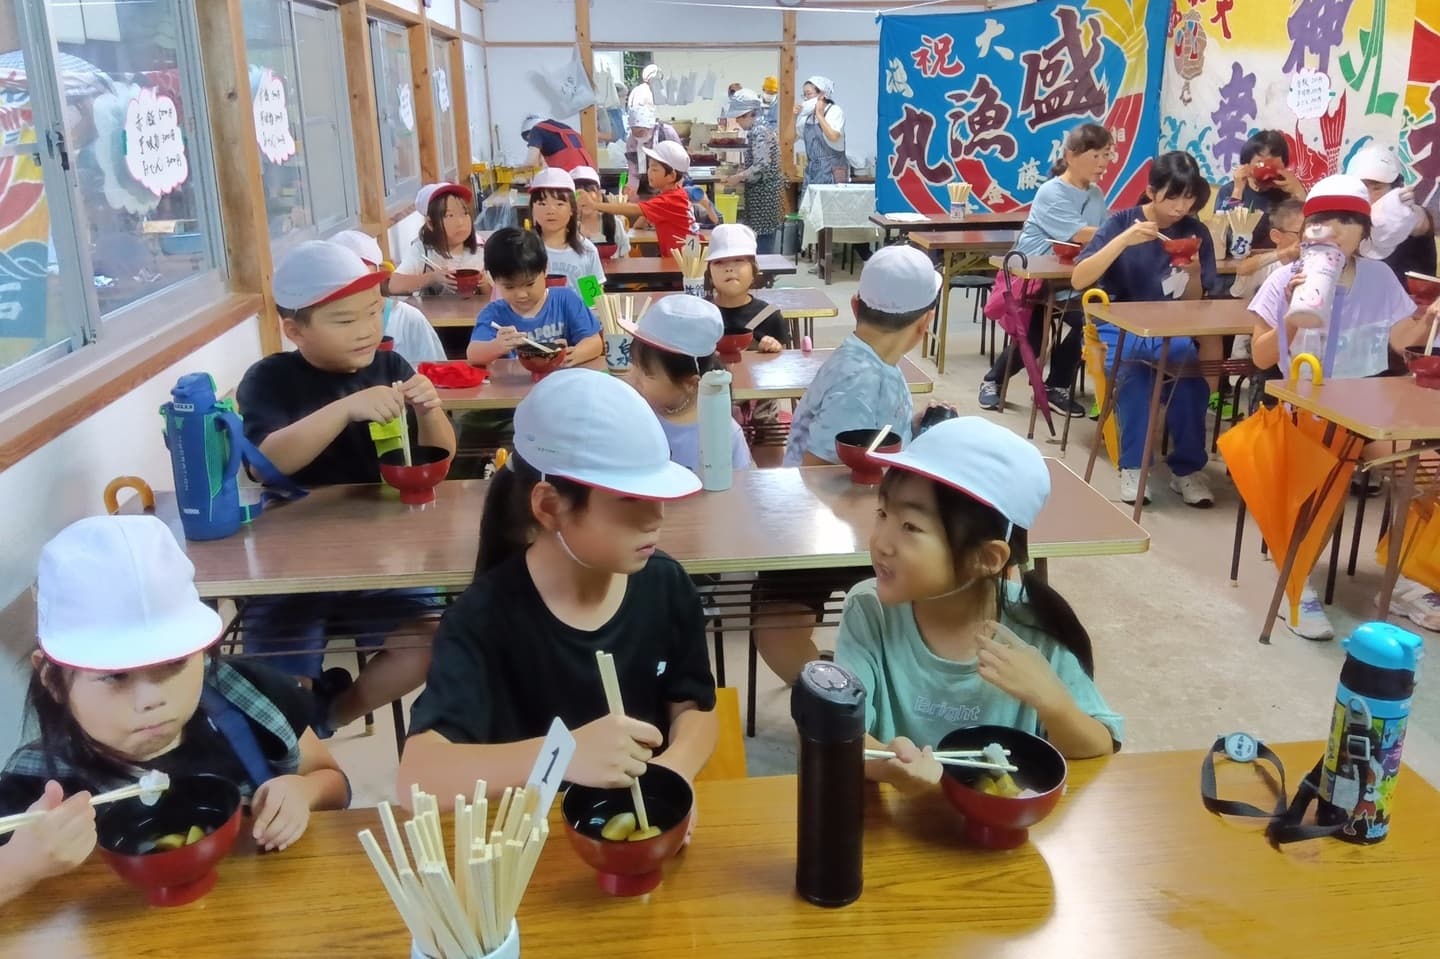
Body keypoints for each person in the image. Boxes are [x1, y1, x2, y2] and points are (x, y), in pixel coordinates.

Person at [398, 369, 718, 800]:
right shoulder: (483, 618)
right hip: (530, 841)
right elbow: (417, 778)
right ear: (549, 506)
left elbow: (694, 706)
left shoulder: (665, 585)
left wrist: (672, 775)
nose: (656, 517)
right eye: (629, 499)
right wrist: (561, 755)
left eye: (657, 495)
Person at [0, 515, 350, 903]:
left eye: (174, 664)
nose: (151, 698)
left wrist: (304, 791)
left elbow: (333, 783)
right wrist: (18, 867)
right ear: (53, 681)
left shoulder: (254, 699)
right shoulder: (33, 787)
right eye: (115, 676)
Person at [237, 242, 456, 734]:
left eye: (375, 311)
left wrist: (430, 409)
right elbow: (263, 466)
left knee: (433, 639)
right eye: (343, 320)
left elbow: (441, 458)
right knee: (276, 681)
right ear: (295, 330)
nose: (365, 329)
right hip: (290, 566)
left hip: (383, 558)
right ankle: (299, 723)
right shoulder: (269, 379)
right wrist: (344, 409)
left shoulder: (391, 366)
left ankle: (331, 715)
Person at [835, 417, 1122, 790]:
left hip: (1000, 831)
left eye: (911, 527)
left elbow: (1100, 745)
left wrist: (1052, 702)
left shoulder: (1031, 631)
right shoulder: (869, 612)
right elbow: (838, 731)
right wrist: (888, 766)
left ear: (987, 558)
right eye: (883, 514)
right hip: (899, 828)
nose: (881, 542)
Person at [1245, 175, 1430, 640]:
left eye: (1349, 220)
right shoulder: (1285, 278)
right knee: (1325, 478)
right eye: (1324, 219)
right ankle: (1297, 581)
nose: (1335, 229)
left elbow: (1395, 343)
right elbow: (1261, 358)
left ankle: (1408, 577)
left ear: (1364, 232)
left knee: (1426, 469)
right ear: (1308, 228)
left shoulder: (1380, 276)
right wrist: (1289, 310)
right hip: (1300, 408)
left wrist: (1426, 316)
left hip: (1366, 406)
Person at [756, 246, 944, 684]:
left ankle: (853, 680)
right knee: (774, 628)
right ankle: (842, 697)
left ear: (856, 305)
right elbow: (818, 469)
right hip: (817, 528)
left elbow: (868, 437)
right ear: (926, 323)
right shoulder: (865, 377)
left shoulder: (871, 362)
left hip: (846, 521)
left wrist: (908, 427)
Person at [1071, 151, 1221, 508]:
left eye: (1188, 197)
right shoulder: (1122, 222)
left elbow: (1196, 302)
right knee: (1134, 373)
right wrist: (1123, 240)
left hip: (1170, 327)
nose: (1180, 207)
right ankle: (1135, 467)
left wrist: (1196, 274)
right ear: (1152, 192)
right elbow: (1079, 278)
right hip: (1117, 324)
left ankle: (1186, 469)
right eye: (1172, 196)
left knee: (1187, 370)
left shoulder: (1196, 232)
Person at [978, 122, 1113, 417]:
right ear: (1071, 155)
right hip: (1036, 278)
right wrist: (1124, 230)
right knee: (1034, 337)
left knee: (1093, 321)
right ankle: (993, 382)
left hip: (1072, 277)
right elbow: (1084, 234)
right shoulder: (1051, 192)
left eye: (1107, 155)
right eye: (1097, 156)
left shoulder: (1097, 195)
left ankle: (1057, 385)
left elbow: (1100, 233)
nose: (1103, 163)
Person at [627, 295, 753, 474]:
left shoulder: (724, 435)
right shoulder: (633, 417)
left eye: (647, 373)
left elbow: (740, 493)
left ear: (691, 384)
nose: (632, 378)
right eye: (633, 363)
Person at [467, 227, 601, 367]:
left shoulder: (565, 300)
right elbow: (473, 356)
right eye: (509, 287)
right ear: (492, 280)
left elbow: (595, 342)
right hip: (516, 386)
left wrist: (575, 354)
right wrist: (497, 346)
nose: (521, 295)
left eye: (529, 284)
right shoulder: (494, 314)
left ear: (545, 269)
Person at [331, 229, 446, 366]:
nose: (353, 288)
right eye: (343, 281)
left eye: (362, 278)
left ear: (379, 274)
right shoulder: (325, 327)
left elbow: (436, 371)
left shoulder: (407, 318)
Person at [1346, 143, 1438, 284]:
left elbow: (1422, 225)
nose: (1368, 195)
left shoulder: (1406, 216)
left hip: (1410, 301)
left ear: (1396, 187)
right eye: (1362, 188)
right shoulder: (1348, 220)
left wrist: (1414, 214)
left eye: (1376, 188)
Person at [1214, 130, 1308, 263]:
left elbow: (1310, 230)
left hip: (1279, 263)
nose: (1267, 170)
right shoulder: (1229, 190)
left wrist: (1299, 192)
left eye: (1273, 165)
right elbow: (1220, 238)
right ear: (1246, 164)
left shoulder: (1289, 191)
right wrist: (1237, 191)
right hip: (1235, 264)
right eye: (1260, 163)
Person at [596, 140, 698, 258]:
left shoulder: (670, 199)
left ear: (672, 176)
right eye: (649, 167)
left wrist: (595, 205)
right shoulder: (675, 194)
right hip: (687, 256)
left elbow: (634, 209)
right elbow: (639, 224)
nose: (649, 172)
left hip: (684, 262)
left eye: (654, 169)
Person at [390, 182, 489, 298]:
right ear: (431, 223)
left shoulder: (482, 249)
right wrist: (432, 278)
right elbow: (393, 286)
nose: (460, 222)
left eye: (464, 213)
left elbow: (497, 296)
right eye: (450, 215)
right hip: (432, 316)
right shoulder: (422, 251)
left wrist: (485, 284)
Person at [707, 224, 789, 351]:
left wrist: (773, 348)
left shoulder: (770, 317)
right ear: (709, 274)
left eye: (739, 260)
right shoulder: (701, 315)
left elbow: (783, 362)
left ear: (754, 271)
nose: (729, 268)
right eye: (719, 262)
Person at [527, 167, 606, 295]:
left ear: (572, 209)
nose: (550, 210)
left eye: (559, 204)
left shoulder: (586, 251)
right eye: (542, 204)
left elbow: (592, 300)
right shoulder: (524, 251)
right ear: (532, 209)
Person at [721, 89, 783, 253]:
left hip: (764, 195)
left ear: (750, 114)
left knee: (762, 239)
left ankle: (764, 274)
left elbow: (761, 166)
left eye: (739, 117)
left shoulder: (760, 131)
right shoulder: (760, 129)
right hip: (761, 193)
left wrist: (739, 177)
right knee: (759, 236)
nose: (737, 121)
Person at [795, 76, 848, 193]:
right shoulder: (807, 117)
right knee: (808, 209)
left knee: (829, 209)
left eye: (808, 94)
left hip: (832, 173)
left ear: (822, 94)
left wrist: (819, 115)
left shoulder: (834, 111)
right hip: (812, 172)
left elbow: (834, 136)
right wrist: (794, 116)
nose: (805, 99)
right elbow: (791, 139)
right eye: (803, 95)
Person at [624, 105, 684, 200]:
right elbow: (633, 171)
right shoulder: (632, 141)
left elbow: (681, 162)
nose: (637, 135)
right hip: (646, 188)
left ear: (650, 127)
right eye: (633, 131)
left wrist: (675, 189)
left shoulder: (666, 132)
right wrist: (631, 189)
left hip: (671, 183)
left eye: (640, 132)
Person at [572, 165, 631, 261]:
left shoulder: (614, 223)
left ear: (599, 195)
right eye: (578, 194)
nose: (584, 199)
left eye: (589, 191)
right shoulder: (566, 228)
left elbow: (625, 258)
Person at [520, 114, 593, 172]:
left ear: (528, 134)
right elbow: (541, 164)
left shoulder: (536, 130)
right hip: (589, 174)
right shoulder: (566, 129)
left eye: (529, 140)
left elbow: (531, 162)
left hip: (568, 176)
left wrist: (514, 172)